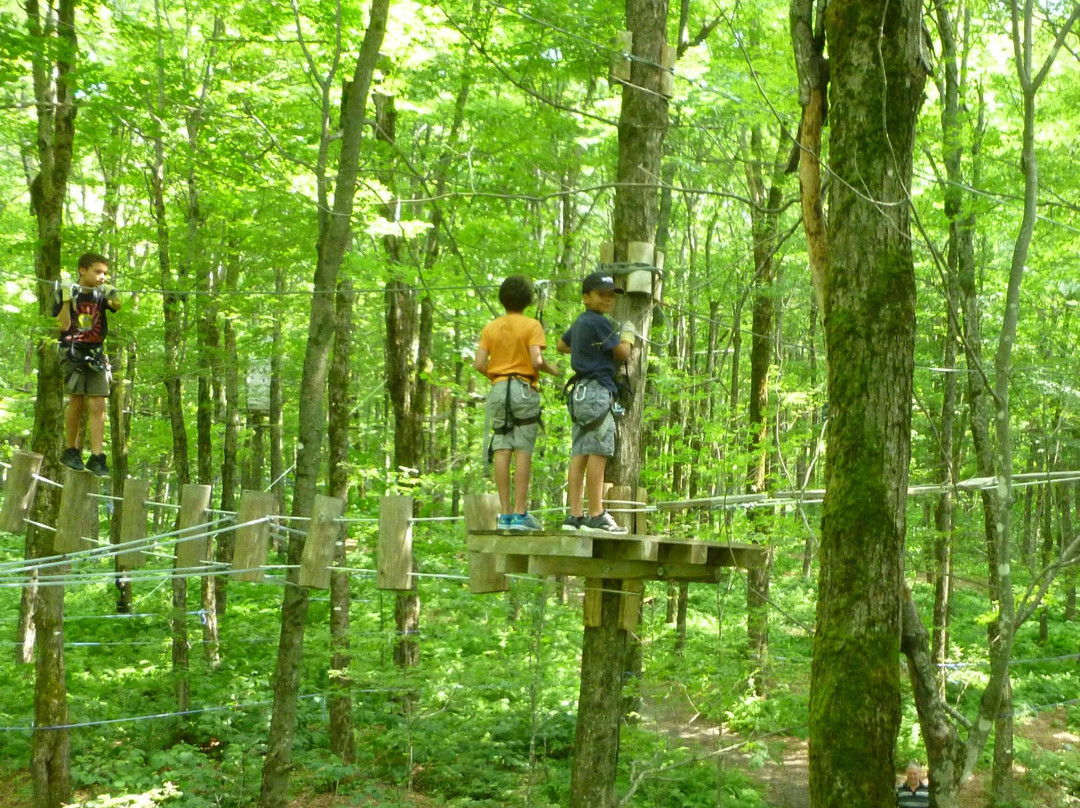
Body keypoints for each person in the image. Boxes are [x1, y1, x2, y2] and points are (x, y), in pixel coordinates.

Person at [473, 276, 560, 531]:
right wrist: (550, 369)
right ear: (528, 300)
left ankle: (506, 515)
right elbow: (536, 360)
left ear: (502, 299)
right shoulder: (532, 325)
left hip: (498, 388)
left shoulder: (491, 327)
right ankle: (521, 514)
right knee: (523, 448)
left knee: (501, 445)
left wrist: (496, 376)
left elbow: (478, 364)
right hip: (524, 388)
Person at [556, 271, 634, 534]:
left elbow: (560, 345)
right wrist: (628, 337)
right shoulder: (598, 322)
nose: (607, 300)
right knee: (598, 451)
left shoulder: (580, 323)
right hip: (597, 392)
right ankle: (596, 513)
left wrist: (585, 348)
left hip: (579, 393)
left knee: (580, 452)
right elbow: (623, 353)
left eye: (611, 295)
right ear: (586, 297)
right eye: (601, 294)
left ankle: (575, 515)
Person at [54, 252, 122, 477]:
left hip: (95, 353)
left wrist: (113, 293)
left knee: (98, 403)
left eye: (105, 273)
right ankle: (71, 450)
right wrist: (65, 297)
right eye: (97, 272)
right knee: (76, 401)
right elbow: (63, 326)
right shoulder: (68, 292)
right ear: (83, 270)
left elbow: (117, 306)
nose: (102, 277)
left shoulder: (101, 295)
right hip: (72, 351)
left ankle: (97, 456)